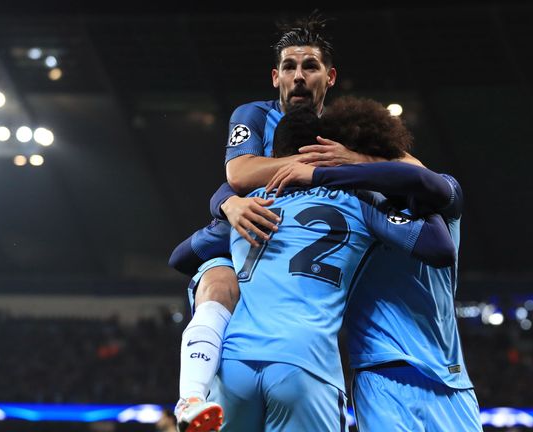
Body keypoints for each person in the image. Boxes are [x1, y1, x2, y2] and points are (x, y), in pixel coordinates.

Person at [173, 104, 455, 431]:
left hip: (234, 362)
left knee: (212, 273)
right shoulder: (359, 200)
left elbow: (180, 257)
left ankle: (190, 393)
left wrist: (225, 207)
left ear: (275, 153)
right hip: (305, 363)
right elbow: (437, 247)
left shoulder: (247, 208)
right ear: (328, 149)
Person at [172, 13, 380, 431]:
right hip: (248, 233)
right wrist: (229, 204)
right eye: (289, 67)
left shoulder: (345, 133)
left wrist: (353, 162)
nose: (298, 76)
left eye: (310, 66)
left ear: (331, 76)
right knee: (219, 283)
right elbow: (238, 175)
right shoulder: (253, 114)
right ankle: (191, 397)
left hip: (287, 260)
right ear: (275, 77)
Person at [264, 99, 483, 431]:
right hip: (380, 373)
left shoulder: (441, 197)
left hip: (449, 375)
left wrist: (340, 167)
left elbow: (422, 183)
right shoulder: (351, 207)